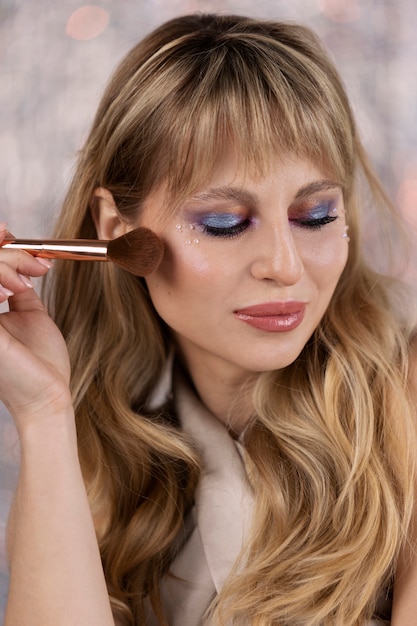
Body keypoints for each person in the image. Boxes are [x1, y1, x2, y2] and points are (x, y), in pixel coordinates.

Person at [1, 12, 417, 626]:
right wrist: (43, 413)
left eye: (317, 215)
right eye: (224, 223)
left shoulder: (404, 403)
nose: (283, 265)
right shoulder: (99, 439)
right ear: (117, 231)